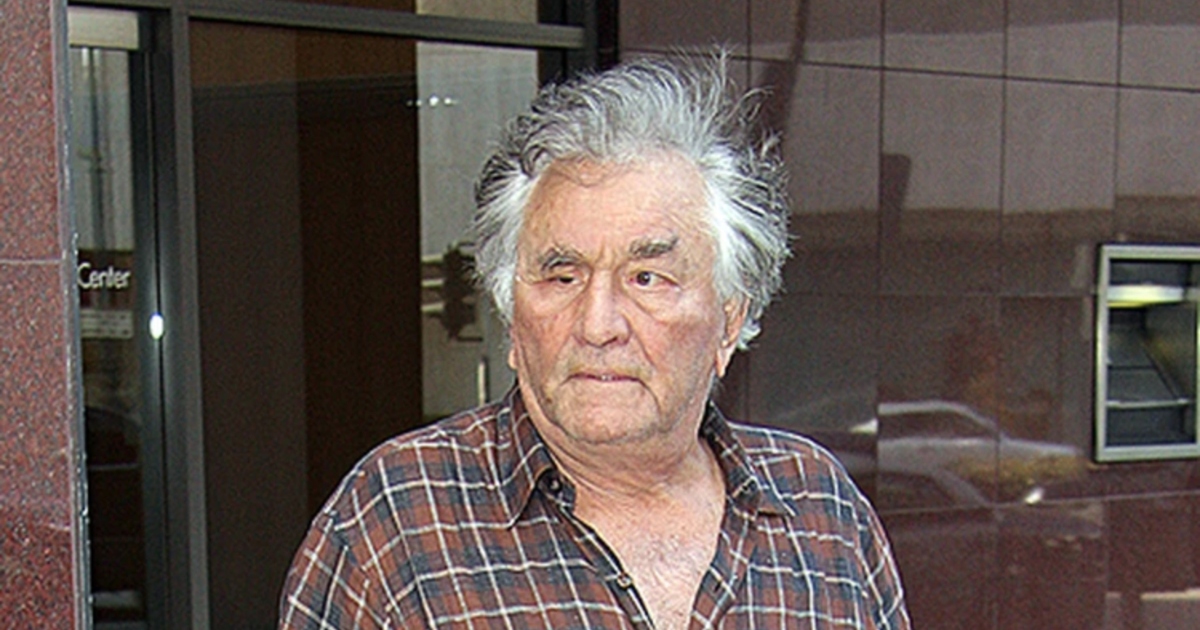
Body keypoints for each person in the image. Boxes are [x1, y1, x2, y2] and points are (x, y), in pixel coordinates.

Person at [278, 53, 909, 630]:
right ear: (512, 317)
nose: (598, 324)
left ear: (728, 319)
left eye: (647, 278)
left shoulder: (821, 509)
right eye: (563, 276)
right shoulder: (396, 520)